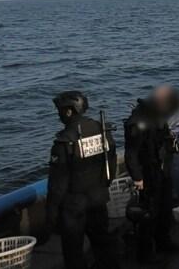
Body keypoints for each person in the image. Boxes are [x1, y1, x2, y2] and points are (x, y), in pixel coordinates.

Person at [46, 91, 119, 269]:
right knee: (103, 244)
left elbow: (58, 183)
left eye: (60, 111)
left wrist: (52, 212)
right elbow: (111, 160)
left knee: (74, 252)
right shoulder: (101, 129)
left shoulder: (64, 142)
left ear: (69, 111)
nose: (59, 115)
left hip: (74, 205)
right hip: (98, 198)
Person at [124, 85, 179, 264]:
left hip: (162, 169)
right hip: (147, 173)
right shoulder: (137, 122)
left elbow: (163, 138)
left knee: (165, 209)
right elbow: (131, 153)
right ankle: (145, 252)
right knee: (148, 213)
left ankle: (163, 241)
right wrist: (137, 177)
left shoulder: (158, 117)